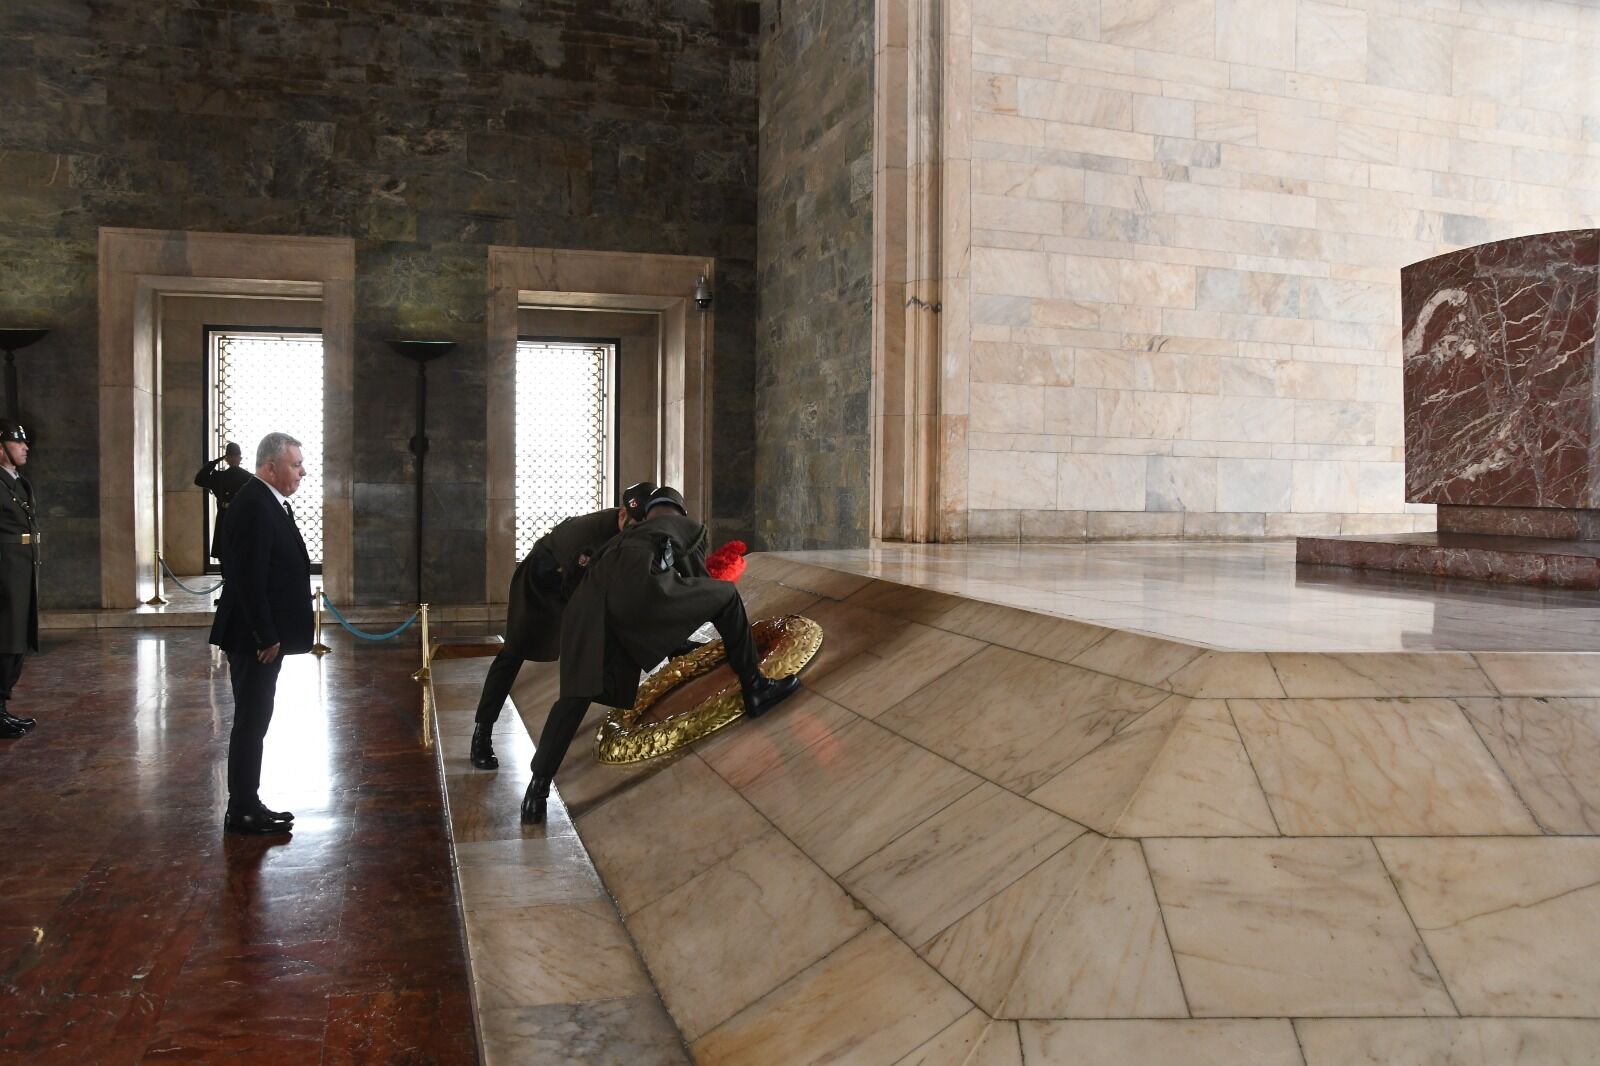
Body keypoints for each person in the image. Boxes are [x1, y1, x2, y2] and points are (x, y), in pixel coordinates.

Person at [521, 486, 800, 823]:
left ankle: (537, 790)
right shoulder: (685, 527)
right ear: (679, 511)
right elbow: (698, 583)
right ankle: (755, 687)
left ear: (647, 512)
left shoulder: (622, 537)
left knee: (574, 698)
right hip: (634, 595)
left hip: (584, 611)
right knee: (726, 597)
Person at [468, 481, 658, 770]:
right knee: (513, 654)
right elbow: (577, 587)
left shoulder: (631, 533)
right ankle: (482, 735)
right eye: (634, 526)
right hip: (540, 581)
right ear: (622, 514)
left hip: (573, 583)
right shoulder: (589, 537)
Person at [209, 432, 314, 835]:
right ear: (271, 467)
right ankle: (242, 809)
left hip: (261, 636)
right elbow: (248, 578)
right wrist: (265, 635)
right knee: (251, 721)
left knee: (256, 718)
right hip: (253, 639)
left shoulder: (267, 501)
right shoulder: (254, 504)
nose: (302, 472)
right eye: (295, 464)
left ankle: (248, 803)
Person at [0, 420, 40, 740]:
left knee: (16, 640)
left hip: (19, 570)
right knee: (5, 640)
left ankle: (1, 708)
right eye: (18, 442)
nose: (25, 447)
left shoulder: (17, 481)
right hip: (4, 572)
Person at [194, 441, 252, 562]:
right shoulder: (220, 477)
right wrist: (213, 463)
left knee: (242, 551)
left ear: (240, 458)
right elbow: (199, 480)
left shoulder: (249, 477)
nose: (234, 459)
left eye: (236, 456)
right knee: (224, 552)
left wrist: (215, 462)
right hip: (225, 515)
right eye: (231, 456)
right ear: (227, 459)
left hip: (241, 516)